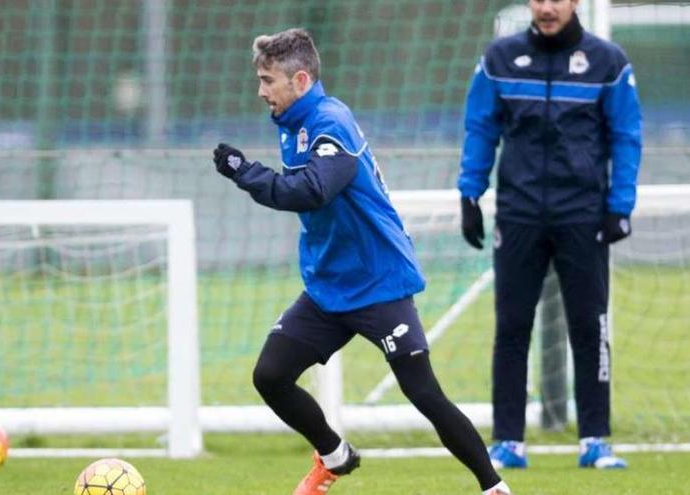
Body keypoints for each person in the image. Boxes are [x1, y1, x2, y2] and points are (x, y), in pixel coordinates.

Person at [212, 28, 512, 495]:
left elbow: (312, 191)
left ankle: (494, 488)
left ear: (301, 80)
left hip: (379, 284)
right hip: (330, 288)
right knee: (270, 375)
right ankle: (334, 456)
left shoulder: (332, 121)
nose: (261, 90)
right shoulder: (294, 125)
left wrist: (243, 171)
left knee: (424, 394)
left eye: (269, 80)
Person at [457, 0, 641, 470]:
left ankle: (595, 440)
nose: (546, 7)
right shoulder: (499, 59)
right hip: (518, 215)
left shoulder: (608, 63)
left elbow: (626, 135)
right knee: (512, 327)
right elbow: (480, 127)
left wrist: (620, 205)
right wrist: (470, 194)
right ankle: (507, 442)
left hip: (582, 215)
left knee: (589, 327)